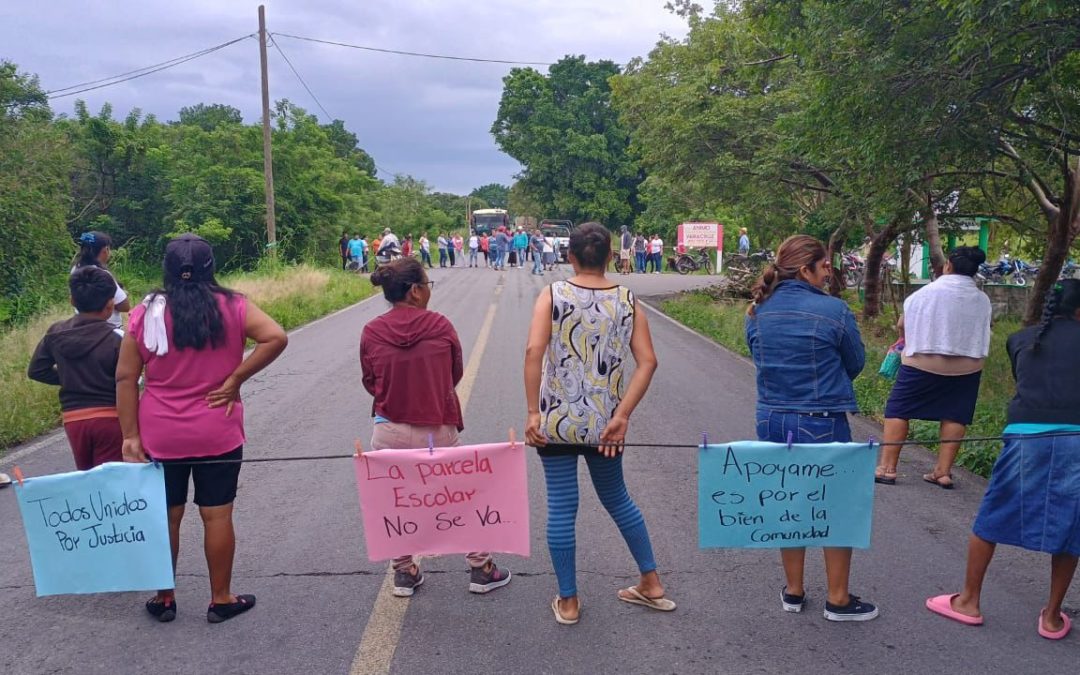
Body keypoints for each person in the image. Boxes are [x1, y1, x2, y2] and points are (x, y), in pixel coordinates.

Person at [117, 234, 288, 624]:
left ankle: (164, 598)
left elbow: (125, 378)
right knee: (217, 515)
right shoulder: (234, 306)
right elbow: (275, 337)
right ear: (213, 268)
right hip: (218, 429)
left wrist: (130, 435)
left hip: (161, 433)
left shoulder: (146, 313)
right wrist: (236, 378)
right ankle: (221, 598)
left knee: (167, 515)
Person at [524, 221, 675, 626]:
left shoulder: (552, 294)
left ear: (569, 256)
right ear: (611, 256)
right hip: (605, 425)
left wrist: (533, 413)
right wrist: (622, 415)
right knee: (618, 499)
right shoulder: (627, 300)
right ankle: (651, 583)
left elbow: (534, 350)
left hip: (555, 422)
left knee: (561, 507)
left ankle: (569, 602)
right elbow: (648, 361)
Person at [926, 280, 1080, 639]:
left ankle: (968, 601)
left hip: (1025, 436)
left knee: (994, 512)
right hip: (1077, 439)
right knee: (1072, 525)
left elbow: (1027, 382)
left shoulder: (1021, 340)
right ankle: (1053, 618)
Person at [745, 234, 877, 622]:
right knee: (835, 507)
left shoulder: (757, 311)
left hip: (771, 418)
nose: (829, 274)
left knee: (789, 503)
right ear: (806, 269)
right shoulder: (834, 311)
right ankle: (838, 599)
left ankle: (794, 590)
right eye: (824, 267)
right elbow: (855, 363)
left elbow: (756, 356)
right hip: (820, 421)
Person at [361, 257, 512, 597]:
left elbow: (370, 381)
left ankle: (404, 573)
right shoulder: (440, 326)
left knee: (398, 501)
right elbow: (453, 374)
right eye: (428, 284)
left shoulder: (372, 331)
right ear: (415, 291)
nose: (429, 290)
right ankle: (480, 567)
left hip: (389, 427)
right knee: (461, 497)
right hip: (437, 426)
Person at [874, 246, 991, 488]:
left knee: (898, 409)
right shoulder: (982, 299)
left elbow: (901, 325)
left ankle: (887, 468)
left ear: (948, 265)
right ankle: (943, 472)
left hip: (922, 362)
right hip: (967, 366)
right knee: (955, 413)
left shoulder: (923, 294)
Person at [28, 267, 124, 469]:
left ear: (72, 300)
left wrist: (67, 377)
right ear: (110, 304)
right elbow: (127, 379)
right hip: (110, 416)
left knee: (86, 479)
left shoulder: (56, 332)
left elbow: (37, 370)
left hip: (73, 418)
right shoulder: (117, 338)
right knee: (111, 482)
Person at [72, 231, 131, 332]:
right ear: (105, 250)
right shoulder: (102, 274)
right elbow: (124, 306)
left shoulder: (75, 269)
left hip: (82, 328)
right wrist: (123, 293)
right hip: (107, 330)